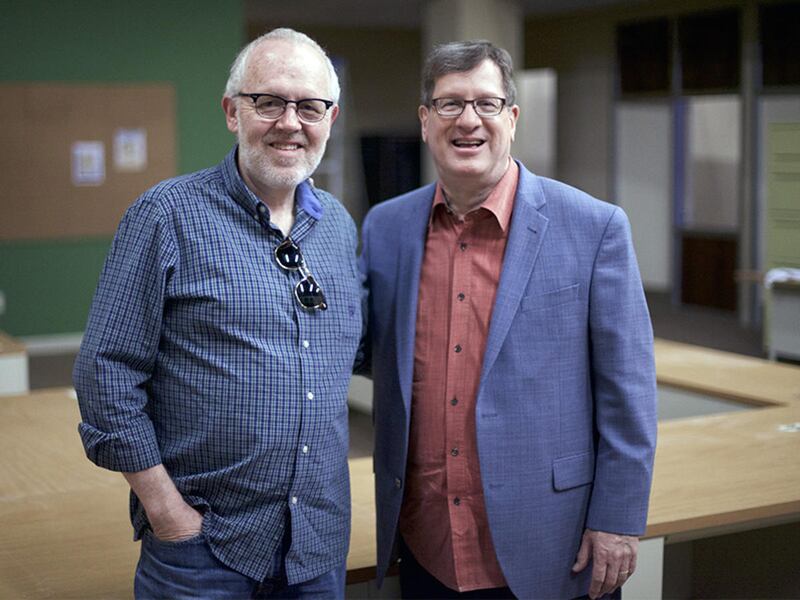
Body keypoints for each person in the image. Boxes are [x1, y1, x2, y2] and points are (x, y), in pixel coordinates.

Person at [358, 40, 657, 599]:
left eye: (487, 103)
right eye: (449, 104)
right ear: (425, 121)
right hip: (428, 542)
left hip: (553, 545)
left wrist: (618, 518)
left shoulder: (594, 228)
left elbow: (628, 392)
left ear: (512, 118)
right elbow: (356, 344)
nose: (468, 120)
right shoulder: (386, 228)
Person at [73, 28, 362, 599]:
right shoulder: (165, 215)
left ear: (331, 117)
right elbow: (105, 373)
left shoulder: (338, 226)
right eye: (268, 101)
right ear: (232, 111)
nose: (289, 122)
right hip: (204, 548)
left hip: (316, 544)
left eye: (309, 106)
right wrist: (166, 511)